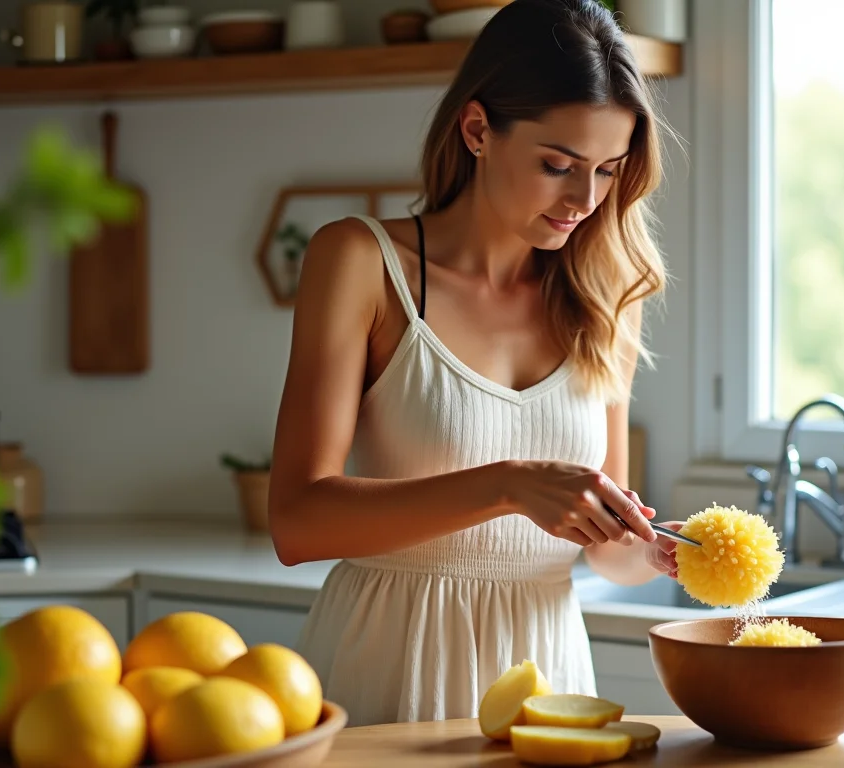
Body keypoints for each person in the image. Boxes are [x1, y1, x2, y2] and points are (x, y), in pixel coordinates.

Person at [266, 0, 684, 727]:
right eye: (558, 165)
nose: (585, 200)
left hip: (548, 675)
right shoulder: (361, 261)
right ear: (478, 129)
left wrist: (651, 550)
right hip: (390, 662)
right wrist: (510, 486)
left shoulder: (607, 292)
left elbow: (606, 556)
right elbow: (298, 523)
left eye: (609, 171)